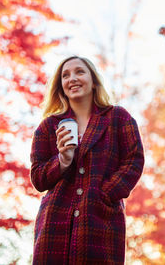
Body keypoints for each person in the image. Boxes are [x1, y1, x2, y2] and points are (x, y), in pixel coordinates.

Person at [30, 56, 145, 264]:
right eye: (65, 75)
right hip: (53, 227)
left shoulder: (118, 118)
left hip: (101, 224)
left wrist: (105, 195)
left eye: (79, 72)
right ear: (61, 86)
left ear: (93, 81)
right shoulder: (47, 127)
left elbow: (134, 162)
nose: (72, 78)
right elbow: (38, 178)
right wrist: (62, 160)